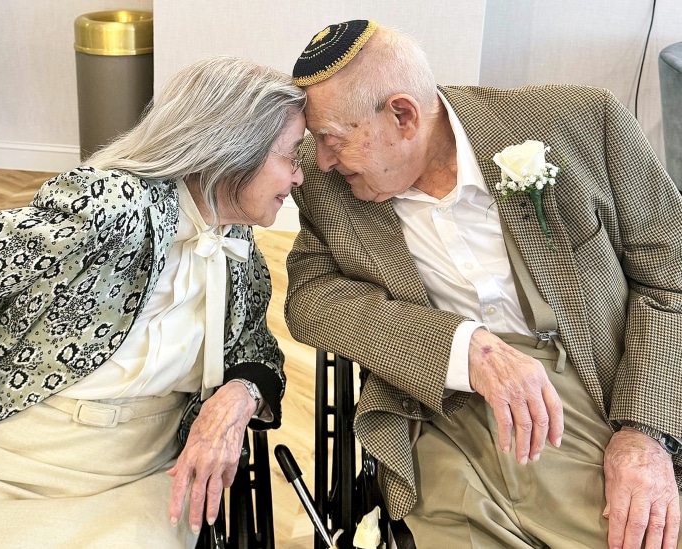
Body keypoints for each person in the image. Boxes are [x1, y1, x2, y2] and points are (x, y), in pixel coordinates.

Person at [284, 19, 682, 549]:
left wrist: (643, 435)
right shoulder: (326, 183)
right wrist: (459, 347)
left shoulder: (583, 122)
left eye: (333, 139)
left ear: (403, 115)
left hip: (596, 395)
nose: (323, 160)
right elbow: (311, 298)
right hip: (442, 414)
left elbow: (671, 275)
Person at [0, 56, 306, 547]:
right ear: (234, 150)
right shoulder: (114, 207)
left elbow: (257, 348)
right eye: (291, 156)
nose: (298, 177)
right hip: (14, 458)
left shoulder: (237, 244)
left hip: (145, 477)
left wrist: (238, 397)